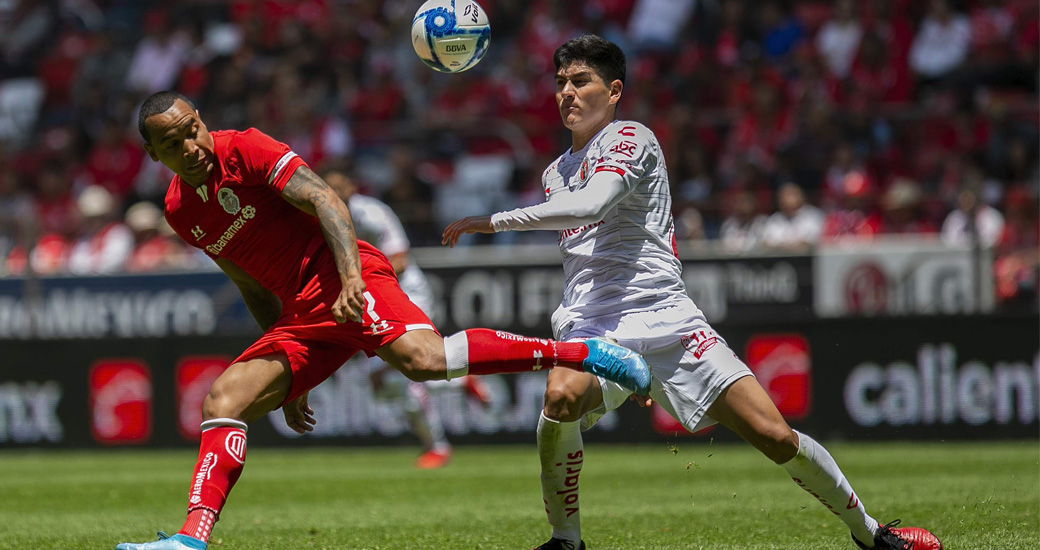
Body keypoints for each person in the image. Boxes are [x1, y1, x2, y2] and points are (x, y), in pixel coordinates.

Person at [442, 35, 942, 550]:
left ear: (613, 91)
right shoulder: (553, 173)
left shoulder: (632, 138)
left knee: (774, 437)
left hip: (668, 318)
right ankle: (566, 541)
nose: (567, 92)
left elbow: (594, 205)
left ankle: (872, 535)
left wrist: (495, 220)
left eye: (581, 81)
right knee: (559, 397)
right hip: (593, 326)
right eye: (560, 83)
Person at [115, 91, 651, 550]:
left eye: (193, 130)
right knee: (223, 400)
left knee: (426, 361)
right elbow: (249, 283)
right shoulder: (182, 212)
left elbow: (326, 200)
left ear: (202, 121)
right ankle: (191, 539)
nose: (192, 147)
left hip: (345, 276)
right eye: (173, 143)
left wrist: (350, 278)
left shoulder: (245, 147)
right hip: (301, 314)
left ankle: (585, 354)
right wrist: (290, 379)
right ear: (153, 154)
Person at [324, 167, 492, 469]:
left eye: (340, 184)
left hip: (406, 294)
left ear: (351, 186)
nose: (335, 191)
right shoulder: (324, 218)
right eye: (328, 185)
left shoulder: (372, 214)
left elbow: (400, 260)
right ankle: (458, 382)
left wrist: (354, 280)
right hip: (372, 296)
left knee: (405, 369)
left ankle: (437, 447)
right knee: (378, 381)